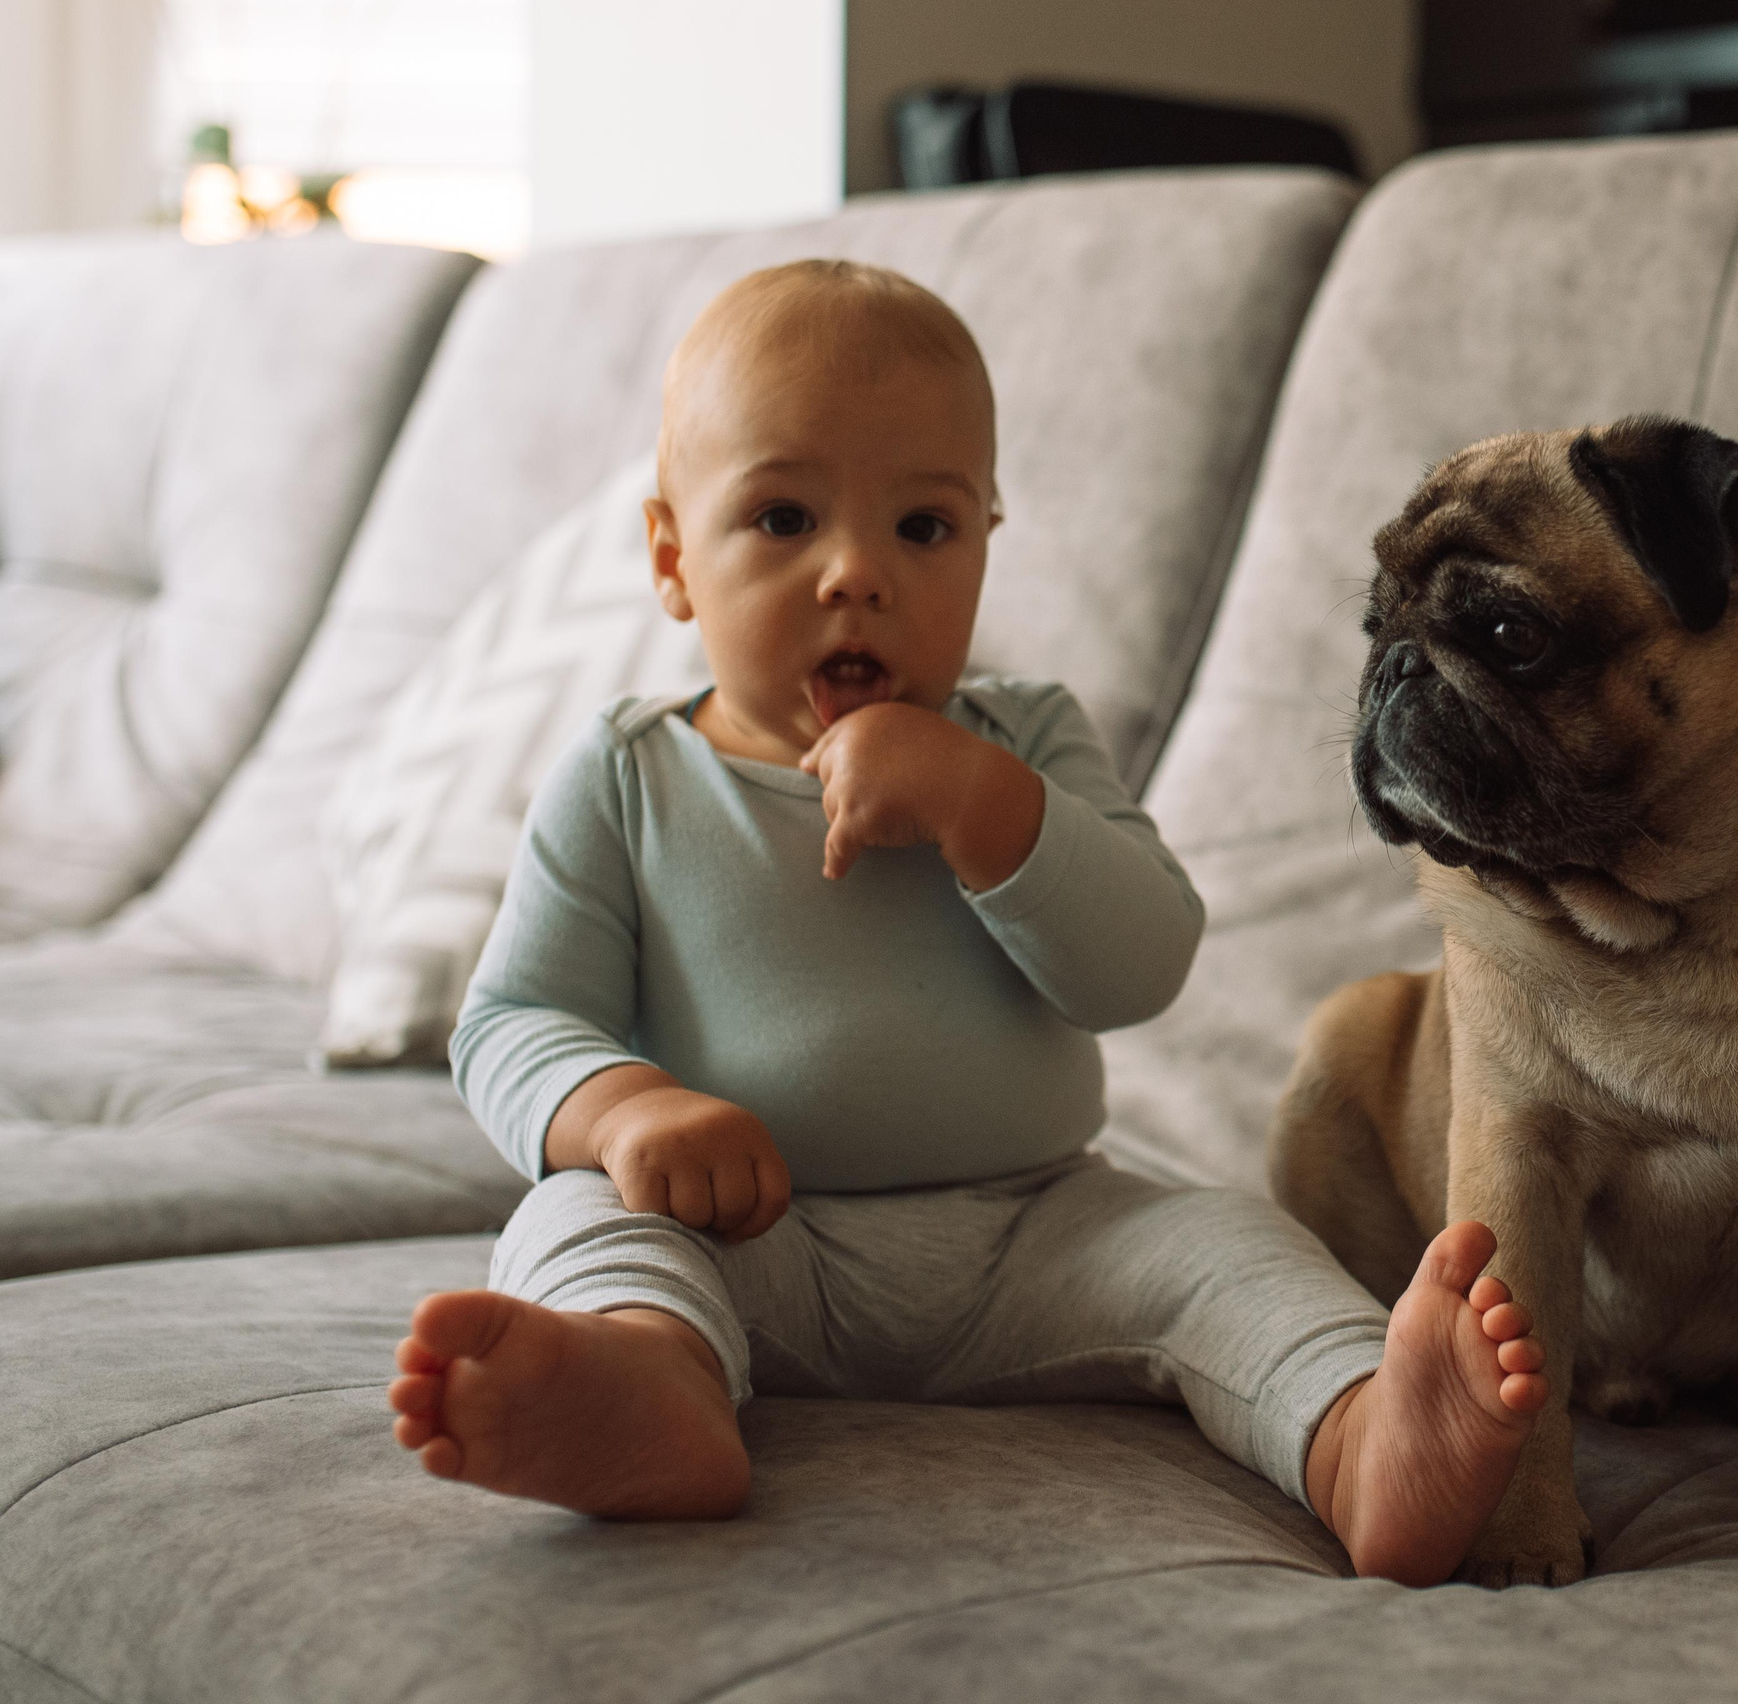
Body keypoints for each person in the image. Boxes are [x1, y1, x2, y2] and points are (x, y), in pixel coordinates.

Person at [382, 259, 1548, 1588]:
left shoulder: (1027, 741)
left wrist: (986, 806)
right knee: (571, 1220)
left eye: (923, 530)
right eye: (781, 517)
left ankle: (1365, 1438)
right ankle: (650, 1388)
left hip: (1036, 1230)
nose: (856, 575)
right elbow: (514, 1021)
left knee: (1229, 1246)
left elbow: (1141, 962)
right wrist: (627, 1110)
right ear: (671, 561)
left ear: (988, 539)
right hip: (750, 1239)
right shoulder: (629, 777)